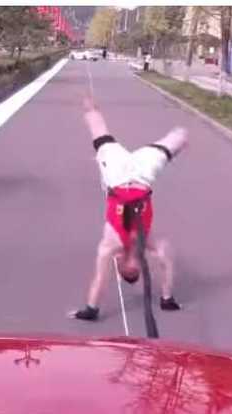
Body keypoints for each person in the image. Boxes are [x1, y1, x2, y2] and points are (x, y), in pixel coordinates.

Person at [70, 96, 186, 321]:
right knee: (179, 137)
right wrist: (167, 297)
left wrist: (91, 309)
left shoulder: (110, 246)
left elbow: (99, 279)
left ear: (120, 264)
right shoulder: (149, 242)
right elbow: (165, 255)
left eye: (128, 271)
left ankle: (89, 105)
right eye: (137, 271)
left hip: (117, 175)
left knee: (99, 133)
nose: (133, 267)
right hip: (143, 175)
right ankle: (186, 135)